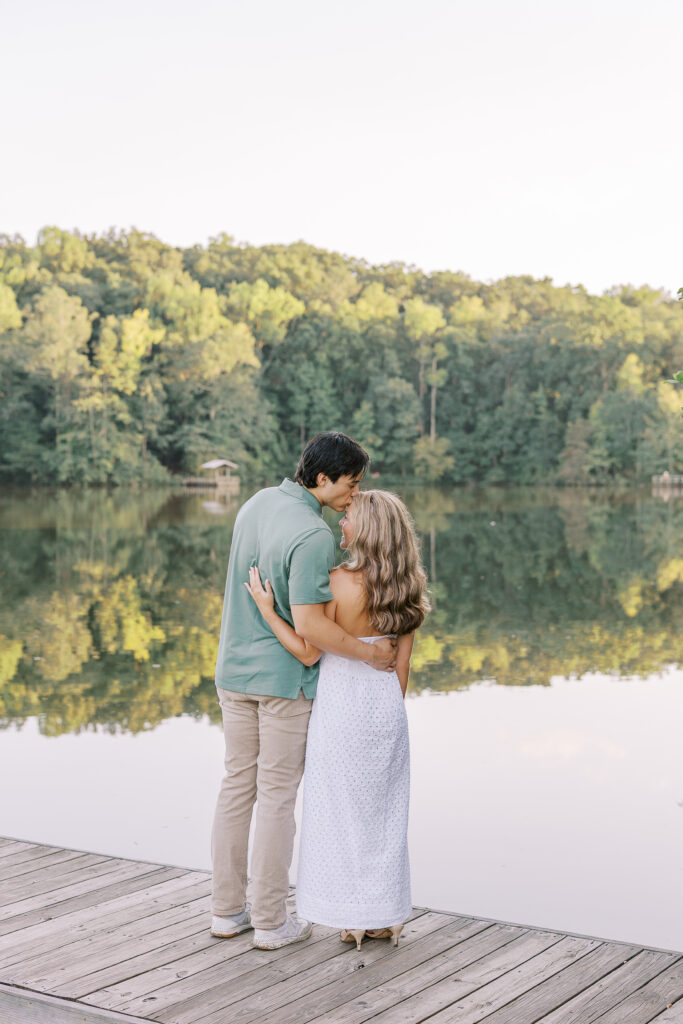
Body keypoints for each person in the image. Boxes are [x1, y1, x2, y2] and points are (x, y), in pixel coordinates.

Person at [211, 432, 397, 952]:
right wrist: (370, 654)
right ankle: (271, 921)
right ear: (322, 478)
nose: (352, 495)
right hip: (283, 683)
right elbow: (314, 632)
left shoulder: (255, 504)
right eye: (350, 483)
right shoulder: (314, 535)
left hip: (233, 672)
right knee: (275, 797)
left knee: (235, 788)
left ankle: (227, 912)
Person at [245, 489, 429, 949]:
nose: (340, 524)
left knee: (340, 816)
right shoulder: (408, 590)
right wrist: (387, 715)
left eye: (348, 518)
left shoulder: (336, 583)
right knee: (383, 820)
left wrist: (269, 611)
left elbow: (309, 649)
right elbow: (401, 670)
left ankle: (350, 918)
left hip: (341, 712)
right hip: (385, 714)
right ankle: (383, 917)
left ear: (365, 528)